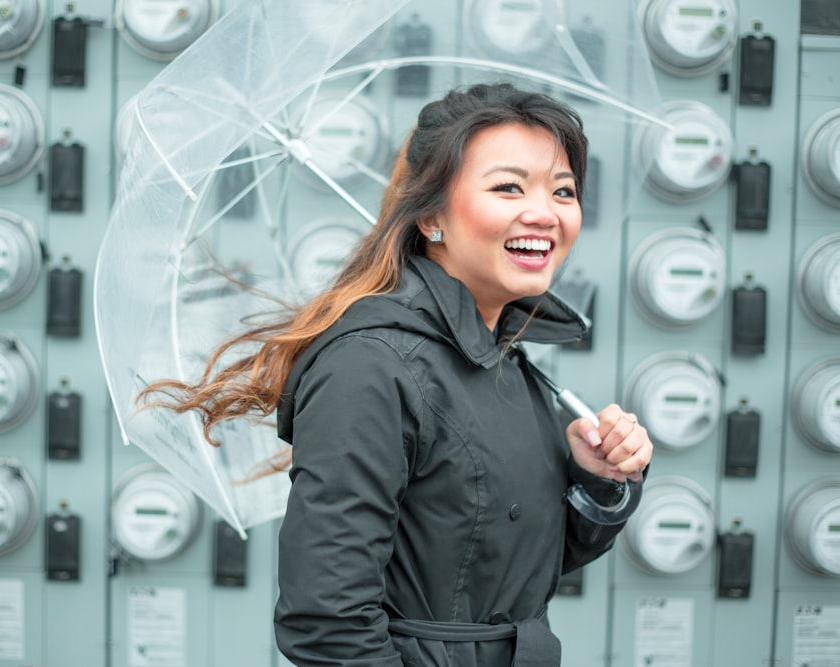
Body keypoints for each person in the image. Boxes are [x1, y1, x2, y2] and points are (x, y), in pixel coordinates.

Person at [144, 82, 653, 666]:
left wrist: (597, 481)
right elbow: (327, 621)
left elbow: (501, 567)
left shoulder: (509, 357)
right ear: (431, 216)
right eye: (508, 187)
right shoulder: (370, 366)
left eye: (563, 190)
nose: (543, 212)